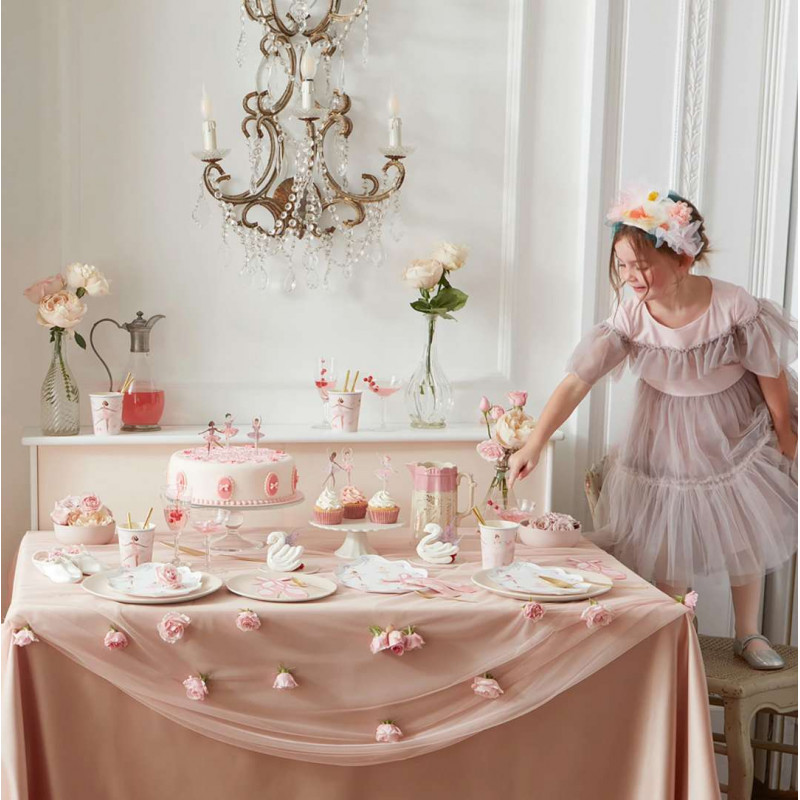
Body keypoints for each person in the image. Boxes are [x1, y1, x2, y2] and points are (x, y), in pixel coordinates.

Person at [509, 188, 797, 670]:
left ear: (684, 260)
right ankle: (675, 628)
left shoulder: (731, 304)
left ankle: (749, 632)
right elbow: (577, 382)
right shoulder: (630, 318)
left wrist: (785, 429)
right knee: (668, 532)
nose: (633, 277)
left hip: (733, 424)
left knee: (743, 525)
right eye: (623, 266)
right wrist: (535, 440)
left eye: (643, 266)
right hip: (664, 426)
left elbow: (769, 371)